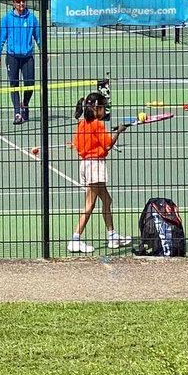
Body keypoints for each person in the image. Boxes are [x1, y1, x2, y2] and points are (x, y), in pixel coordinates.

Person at [68, 92, 131, 254]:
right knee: (90, 204)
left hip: (86, 165)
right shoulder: (97, 125)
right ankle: (75, 239)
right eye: (103, 108)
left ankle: (112, 236)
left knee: (107, 200)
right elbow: (108, 144)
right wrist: (119, 132)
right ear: (97, 108)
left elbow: (77, 144)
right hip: (95, 166)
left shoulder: (82, 124)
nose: (105, 111)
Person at [0, 0, 42, 125]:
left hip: (27, 57)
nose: (21, 4)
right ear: (13, 3)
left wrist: (44, 52)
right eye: (18, 1)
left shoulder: (32, 18)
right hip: (12, 57)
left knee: (29, 84)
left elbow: (38, 37)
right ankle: (17, 113)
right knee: (14, 84)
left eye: (23, 1)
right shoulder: (7, 18)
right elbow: (1, 38)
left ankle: (24, 105)